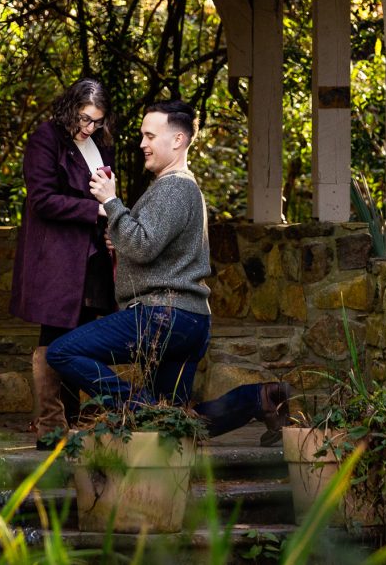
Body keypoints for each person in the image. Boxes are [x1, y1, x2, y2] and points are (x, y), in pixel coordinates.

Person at [46, 99, 289, 446]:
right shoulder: (177, 187)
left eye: (149, 135)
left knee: (62, 352)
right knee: (173, 428)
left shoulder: (175, 187)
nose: (142, 143)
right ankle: (258, 398)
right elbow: (152, 244)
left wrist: (111, 202)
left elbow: (143, 245)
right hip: (187, 321)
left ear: (177, 140)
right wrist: (123, 239)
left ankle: (144, 409)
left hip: (163, 314)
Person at [9, 78, 117, 450]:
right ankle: (51, 430)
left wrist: (110, 218)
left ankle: (71, 424)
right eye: (85, 119)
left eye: (97, 121)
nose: (89, 128)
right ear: (70, 107)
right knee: (55, 336)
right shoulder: (46, 138)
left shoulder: (99, 143)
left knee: (81, 338)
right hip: (56, 259)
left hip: (90, 258)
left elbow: (107, 190)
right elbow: (42, 200)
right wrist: (97, 209)